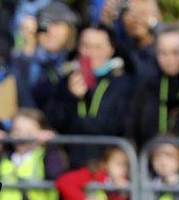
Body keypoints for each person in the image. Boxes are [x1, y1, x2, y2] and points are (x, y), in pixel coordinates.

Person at [46, 25, 136, 168]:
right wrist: (70, 97)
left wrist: (82, 125)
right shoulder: (65, 81)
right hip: (70, 163)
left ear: (111, 49)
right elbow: (54, 121)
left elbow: (117, 125)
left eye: (98, 47)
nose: (91, 53)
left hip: (106, 166)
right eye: (86, 46)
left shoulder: (123, 82)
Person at [127, 23, 179, 148]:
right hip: (150, 157)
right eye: (163, 53)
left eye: (176, 52)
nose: (169, 59)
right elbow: (132, 124)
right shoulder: (147, 85)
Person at [11, 1, 80, 110]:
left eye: (57, 25)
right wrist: (28, 47)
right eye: (45, 25)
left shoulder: (74, 61)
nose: (50, 31)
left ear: (70, 31)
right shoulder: (22, 58)